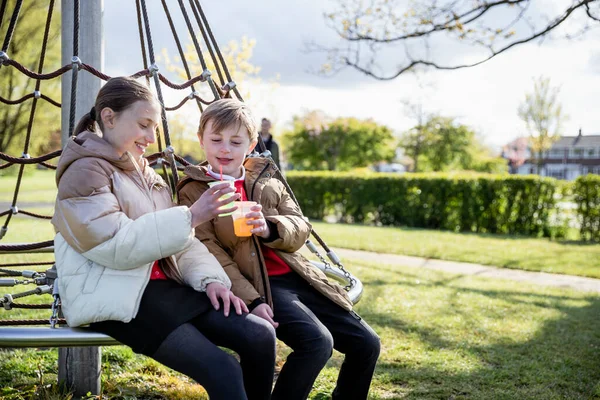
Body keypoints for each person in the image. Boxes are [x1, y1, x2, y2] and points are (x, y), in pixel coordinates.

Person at [51, 77, 275, 400]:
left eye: (154, 127)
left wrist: (211, 280)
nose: (151, 137)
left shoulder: (145, 173)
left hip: (161, 287)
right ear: (110, 118)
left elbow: (180, 241)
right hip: (118, 294)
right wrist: (194, 215)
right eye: (144, 125)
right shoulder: (84, 172)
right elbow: (115, 245)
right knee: (223, 369)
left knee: (260, 335)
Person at [177, 99, 380, 400]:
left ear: (252, 144)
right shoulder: (193, 190)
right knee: (317, 343)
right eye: (216, 140)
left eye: (236, 142)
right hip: (261, 284)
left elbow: (300, 225)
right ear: (201, 139)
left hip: (298, 274)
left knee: (367, 343)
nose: (225, 149)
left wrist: (270, 228)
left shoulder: (266, 177)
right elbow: (209, 252)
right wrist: (254, 299)